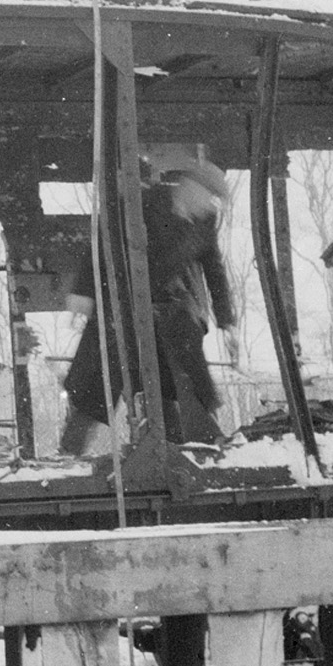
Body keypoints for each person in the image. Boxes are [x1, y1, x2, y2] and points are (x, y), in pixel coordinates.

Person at [62, 158, 238, 459]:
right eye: (206, 195)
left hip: (166, 312)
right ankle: (70, 452)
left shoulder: (203, 222)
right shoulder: (142, 203)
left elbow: (214, 269)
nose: (209, 204)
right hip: (122, 305)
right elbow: (102, 241)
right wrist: (84, 291)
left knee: (181, 381)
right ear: (188, 186)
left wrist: (227, 320)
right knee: (99, 381)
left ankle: (191, 446)